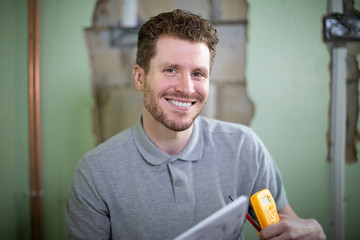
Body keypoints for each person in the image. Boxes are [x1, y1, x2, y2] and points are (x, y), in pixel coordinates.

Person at [66, 9, 326, 240]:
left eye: (198, 74)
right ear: (139, 77)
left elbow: (286, 226)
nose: (186, 89)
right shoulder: (95, 173)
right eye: (170, 70)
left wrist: (312, 235)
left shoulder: (244, 147)